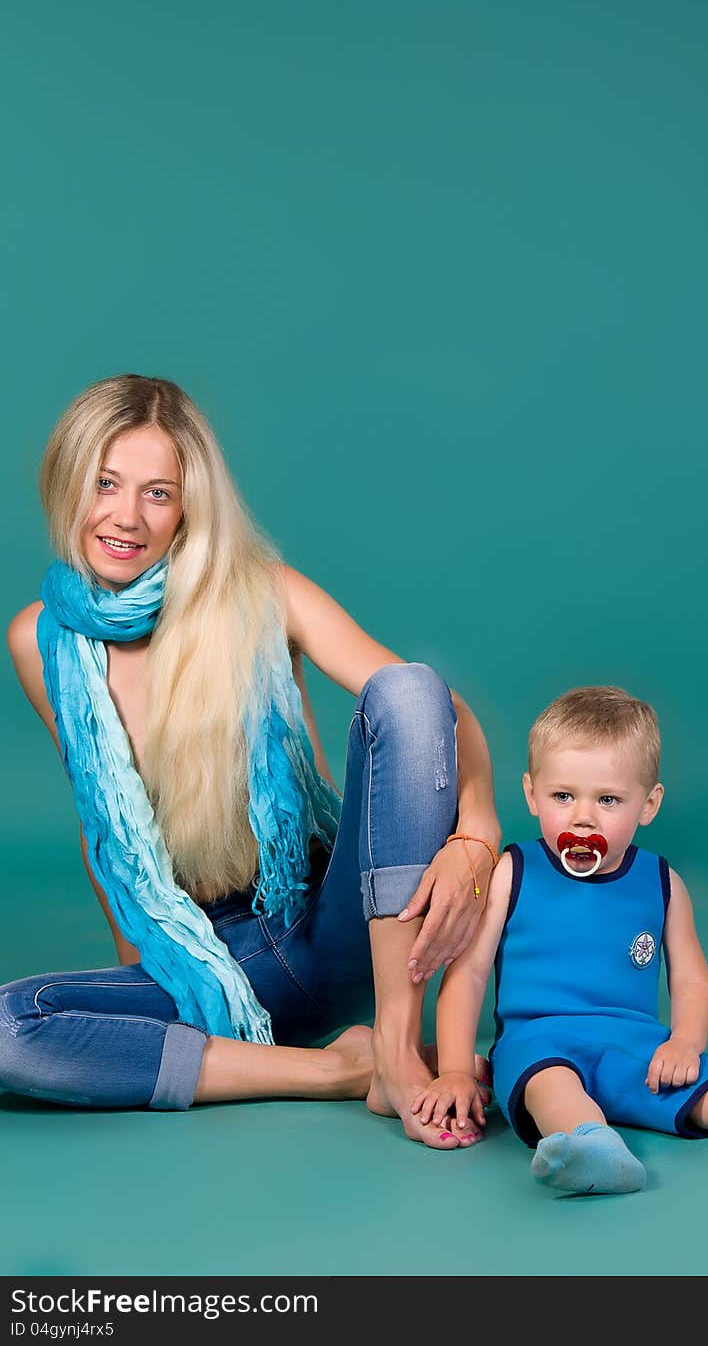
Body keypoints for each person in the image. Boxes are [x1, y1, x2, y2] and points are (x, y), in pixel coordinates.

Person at [0, 373, 500, 1149]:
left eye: (157, 493)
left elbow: (435, 712)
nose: (126, 517)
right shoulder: (41, 642)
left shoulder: (265, 593)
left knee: (404, 691)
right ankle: (337, 1071)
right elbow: (101, 825)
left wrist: (478, 829)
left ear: (187, 507)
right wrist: (152, 974)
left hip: (332, 924)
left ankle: (396, 1051)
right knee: (8, 1027)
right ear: (71, 482)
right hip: (209, 950)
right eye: (106, 483)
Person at [412, 685, 708, 1186]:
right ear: (531, 793)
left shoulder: (662, 884)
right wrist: (457, 1070)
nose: (583, 816)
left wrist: (684, 1041)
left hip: (637, 1046)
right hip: (537, 1040)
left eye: (608, 799)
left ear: (648, 804)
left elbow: (693, 982)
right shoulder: (512, 871)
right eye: (562, 796)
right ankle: (594, 1148)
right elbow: (469, 973)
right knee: (552, 1085)